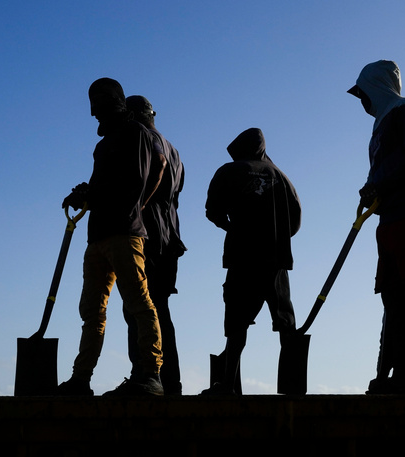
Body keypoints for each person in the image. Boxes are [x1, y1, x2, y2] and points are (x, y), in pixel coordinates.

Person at [59, 78, 165, 397]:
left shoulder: (137, 134)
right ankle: (81, 379)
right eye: (92, 103)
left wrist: (130, 202)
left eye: (99, 102)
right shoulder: (103, 145)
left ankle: (152, 374)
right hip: (98, 236)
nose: (94, 112)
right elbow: (105, 185)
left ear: (115, 101)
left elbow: (145, 174)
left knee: (138, 303)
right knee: (92, 310)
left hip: (125, 232)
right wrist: (86, 195)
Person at [349, 60, 405, 394]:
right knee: (393, 298)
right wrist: (371, 189)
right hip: (389, 219)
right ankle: (400, 375)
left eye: (363, 93)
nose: (361, 102)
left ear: (376, 87)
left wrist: (379, 184)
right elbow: (386, 170)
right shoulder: (381, 125)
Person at [202, 128, 301, 395]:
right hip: (276, 260)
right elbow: (296, 218)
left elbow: (212, 211)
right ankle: (292, 386)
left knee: (236, 324)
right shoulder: (281, 176)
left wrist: (233, 228)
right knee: (285, 323)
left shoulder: (228, 171)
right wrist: (277, 235)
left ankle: (227, 385)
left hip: (242, 257)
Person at [122, 96, 187, 395]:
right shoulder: (174, 149)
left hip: (147, 235)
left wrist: (135, 208)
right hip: (170, 239)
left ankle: (145, 376)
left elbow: (151, 175)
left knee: (138, 308)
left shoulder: (143, 138)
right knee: (159, 308)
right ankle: (169, 381)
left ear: (133, 115)